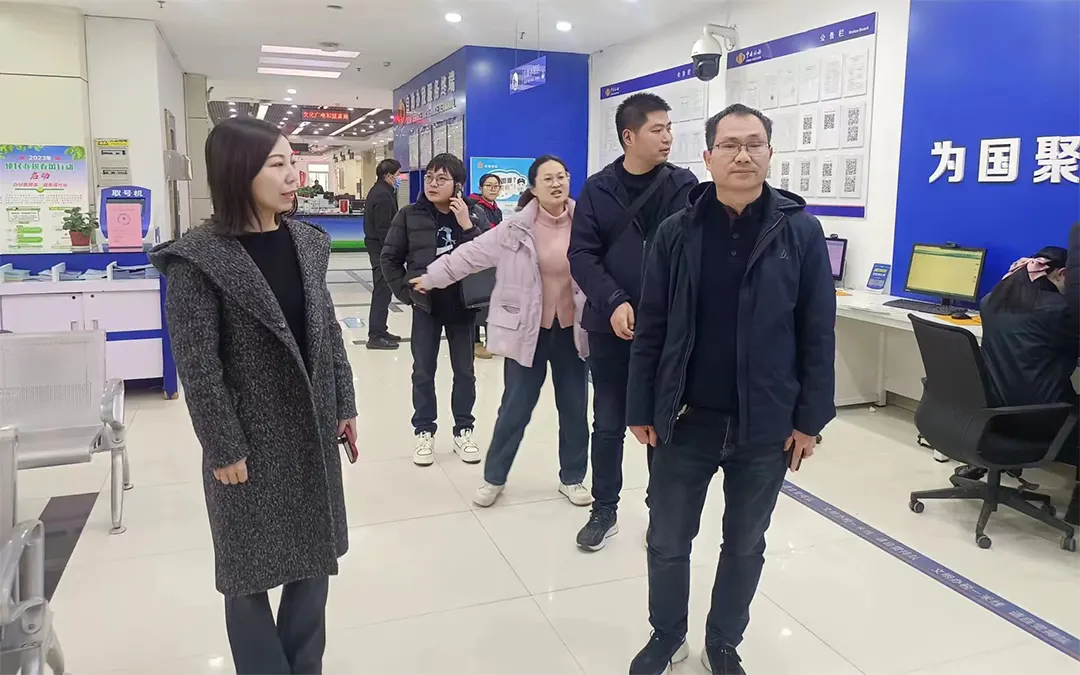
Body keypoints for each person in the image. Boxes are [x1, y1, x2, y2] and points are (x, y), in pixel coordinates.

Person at [625, 104, 836, 675]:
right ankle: (667, 635)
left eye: (754, 144)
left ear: (770, 153)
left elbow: (817, 331)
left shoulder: (800, 232)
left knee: (745, 543)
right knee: (668, 539)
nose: (743, 155)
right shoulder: (677, 231)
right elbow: (653, 325)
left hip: (764, 424)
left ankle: (723, 641)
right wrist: (641, 406)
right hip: (684, 418)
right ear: (708, 155)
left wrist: (809, 419)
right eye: (730, 145)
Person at [149, 117, 357, 675]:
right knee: (247, 573)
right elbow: (199, 367)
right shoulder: (198, 260)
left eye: (293, 163)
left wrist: (345, 403)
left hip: (312, 427)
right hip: (247, 440)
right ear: (239, 173)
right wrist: (223, 446)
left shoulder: (306, 243)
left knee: (314, 559)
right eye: (278, 165)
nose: (294, 177)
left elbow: (326, 330)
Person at [411, 156, 592, 508]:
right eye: (548, 179)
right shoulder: (515, 229)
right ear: (533, 187)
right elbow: (470, 255)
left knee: (574, 409)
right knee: (514, 409)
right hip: (528, 332)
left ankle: (572, 478)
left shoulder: (586, 224)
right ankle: (494, 477)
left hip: (573, 333)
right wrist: (433, 277)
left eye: (562, 177)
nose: (557, 184)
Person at [569, 92, 698, 551]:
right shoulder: (598, 188)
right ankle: (604, 509)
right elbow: (581, 254)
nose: (667, 137)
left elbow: (692, 254)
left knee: (662, 424)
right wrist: (614, 300)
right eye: (657, 129)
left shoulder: (683, 185)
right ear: (629, 136)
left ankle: (659, 511)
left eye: (669, 128)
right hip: (609, 327)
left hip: (666, 331)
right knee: (607, 423)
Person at [382, 153, 490, 466]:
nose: (432, 184)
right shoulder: (409, 215)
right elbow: (390, 258)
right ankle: (424, 431)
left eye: (441, 179)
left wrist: (467, 225)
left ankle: (463, 430)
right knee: (423, 371)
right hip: (426, 307)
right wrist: (407, 294)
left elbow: (488, 255)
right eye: (429, 177)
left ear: (458, 185)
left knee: (465, 372)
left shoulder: (474, 214)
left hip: (463, 306)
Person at [953, 247, 1080, 483]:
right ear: (1062, 274)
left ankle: (991, 461)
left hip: (989, 413)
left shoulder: (990, 301)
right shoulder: (1060, 310)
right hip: (1039, 418)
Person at [363, 158, 403, 350]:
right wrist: (392, 252)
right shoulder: (382, 195)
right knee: (382, 291)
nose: (399, 178)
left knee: (385, 291)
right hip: (381, 250)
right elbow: (383, 228)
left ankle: (381, 329)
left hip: (378, 247)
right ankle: (375, 335)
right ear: (388, 176)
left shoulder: (381, 190)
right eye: (398, 175)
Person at [469, 173, 504, 359]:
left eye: (496, 186)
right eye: (489, 185)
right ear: (480, 187)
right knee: (477, 303)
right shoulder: (475, 208)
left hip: (493, 261)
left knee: (491, 302)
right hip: (478, 262)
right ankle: (475, 343)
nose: (493, 189)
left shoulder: (496, 209)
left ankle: (492, 341)